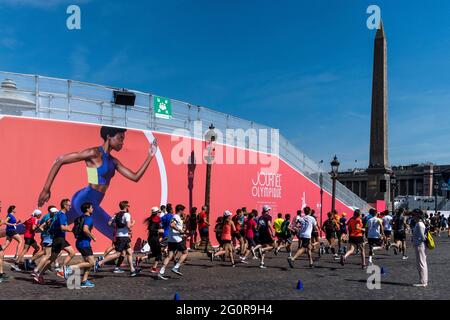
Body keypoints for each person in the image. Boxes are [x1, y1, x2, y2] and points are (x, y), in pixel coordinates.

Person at [37, 126, 158, 241]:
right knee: (116, 234)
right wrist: (46, 189)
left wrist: (150, 156)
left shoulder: (114, 161)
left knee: (52, 226)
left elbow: (135, 177)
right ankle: (102, 262)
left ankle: (19, 230)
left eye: (123, 139)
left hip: (88, 199)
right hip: (86, 200)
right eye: (120, 138)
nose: (122, 142)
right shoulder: (93, 153)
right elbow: (60, 160)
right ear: (109, 136)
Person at [33, 199, 76, 284]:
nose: (70, 207)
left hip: (56, 238)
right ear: (65, 205)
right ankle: (61, 270)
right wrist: (73, 230)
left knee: (51, 259)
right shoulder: (62, 215)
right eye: (69, 205)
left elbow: (50, 226)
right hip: (59, 238)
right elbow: (63, 228)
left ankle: (39, 275)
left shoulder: (58, 214)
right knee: (72, 253)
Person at [94, 201, 140, 276]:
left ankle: (132, 270)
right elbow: (128, 226)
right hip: (123, 237)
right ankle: (99, 263)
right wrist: (133, 224)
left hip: (120, 236)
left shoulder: (116, 215)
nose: (129, 206)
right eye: (128, 205)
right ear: (125, 206)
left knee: (129, 252)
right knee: (118, 254)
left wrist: (117, 227)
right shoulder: (127, 214)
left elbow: (109, 223)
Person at [67, 202, 97, 288]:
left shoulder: (80, 218)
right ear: (87, 209)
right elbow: (85, 229)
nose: (92, 209)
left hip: (80, 242)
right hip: (84, 243)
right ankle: (70, 268)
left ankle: (84, 281)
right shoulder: (88, 218)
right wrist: (93, 237)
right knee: (91, 262)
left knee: (87, 263)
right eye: (91, 207)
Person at [158, 204, 189, 280]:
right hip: (177, 239)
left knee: (169, 256)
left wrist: (182, 232)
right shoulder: (176, 217)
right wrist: (180, 230)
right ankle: (176, 267)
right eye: (183, 211)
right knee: (185, 253)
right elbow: (172, 224)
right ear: (180, 210)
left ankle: (161, 272)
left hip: (171, 239)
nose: (183, 212)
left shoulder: (175, 217)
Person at [2, 205, 23, 270]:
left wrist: (17, 223)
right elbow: (5, 222)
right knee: (20, 240)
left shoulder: (12, 216)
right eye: (15, 208)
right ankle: (16, 255)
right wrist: (13, 224)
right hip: (11, 231)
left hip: (10, 231)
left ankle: (0, 253)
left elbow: (12, 223)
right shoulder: (10, 215)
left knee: (6, 244)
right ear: (12, 209)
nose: (16, 209)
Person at [144, 207, 164, 274]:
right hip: (154, 238)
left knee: (155, 254)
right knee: (159, 254)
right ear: (156, 213)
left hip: (151, 238)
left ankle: (141, 258)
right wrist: (159, 230)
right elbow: (151, 229)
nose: (160, 213)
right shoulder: (155, 219)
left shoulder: (152, 219)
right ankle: (154, 268)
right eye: (159, 212)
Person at [412, 209, 428, 287]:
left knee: (421, 263)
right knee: (421, 263)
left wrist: (415, 239)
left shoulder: (419, 224)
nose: (413, 217)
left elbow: (423, 237)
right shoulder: (419, 223)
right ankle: (423, 280)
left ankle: (423, 282)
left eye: (414, 215)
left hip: (420, 245)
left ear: (417, 215)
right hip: (419, 245)